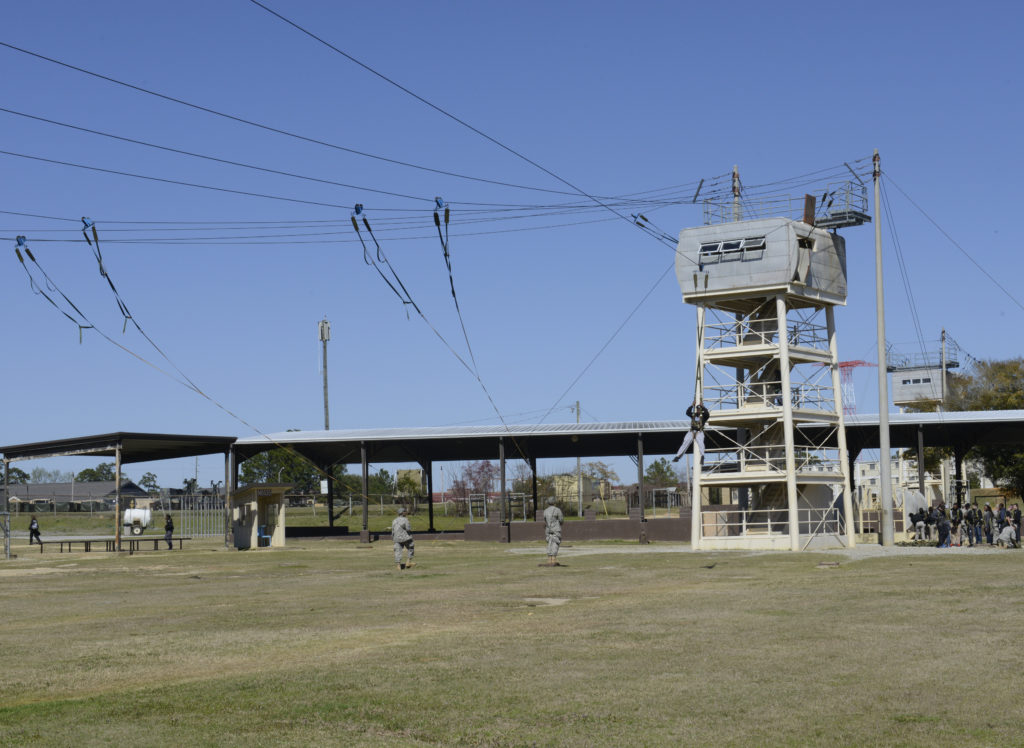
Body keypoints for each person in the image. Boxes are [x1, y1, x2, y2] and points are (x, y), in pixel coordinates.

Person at [543, 498, 564, 567]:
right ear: (554, 502)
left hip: (548, 529)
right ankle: (553, 559)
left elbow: (545, 520)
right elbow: (561, 520)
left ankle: (549, 559)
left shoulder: (545, 511)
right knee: (555, 543)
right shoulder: (557, 510)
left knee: (549, 543)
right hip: (556, 529)